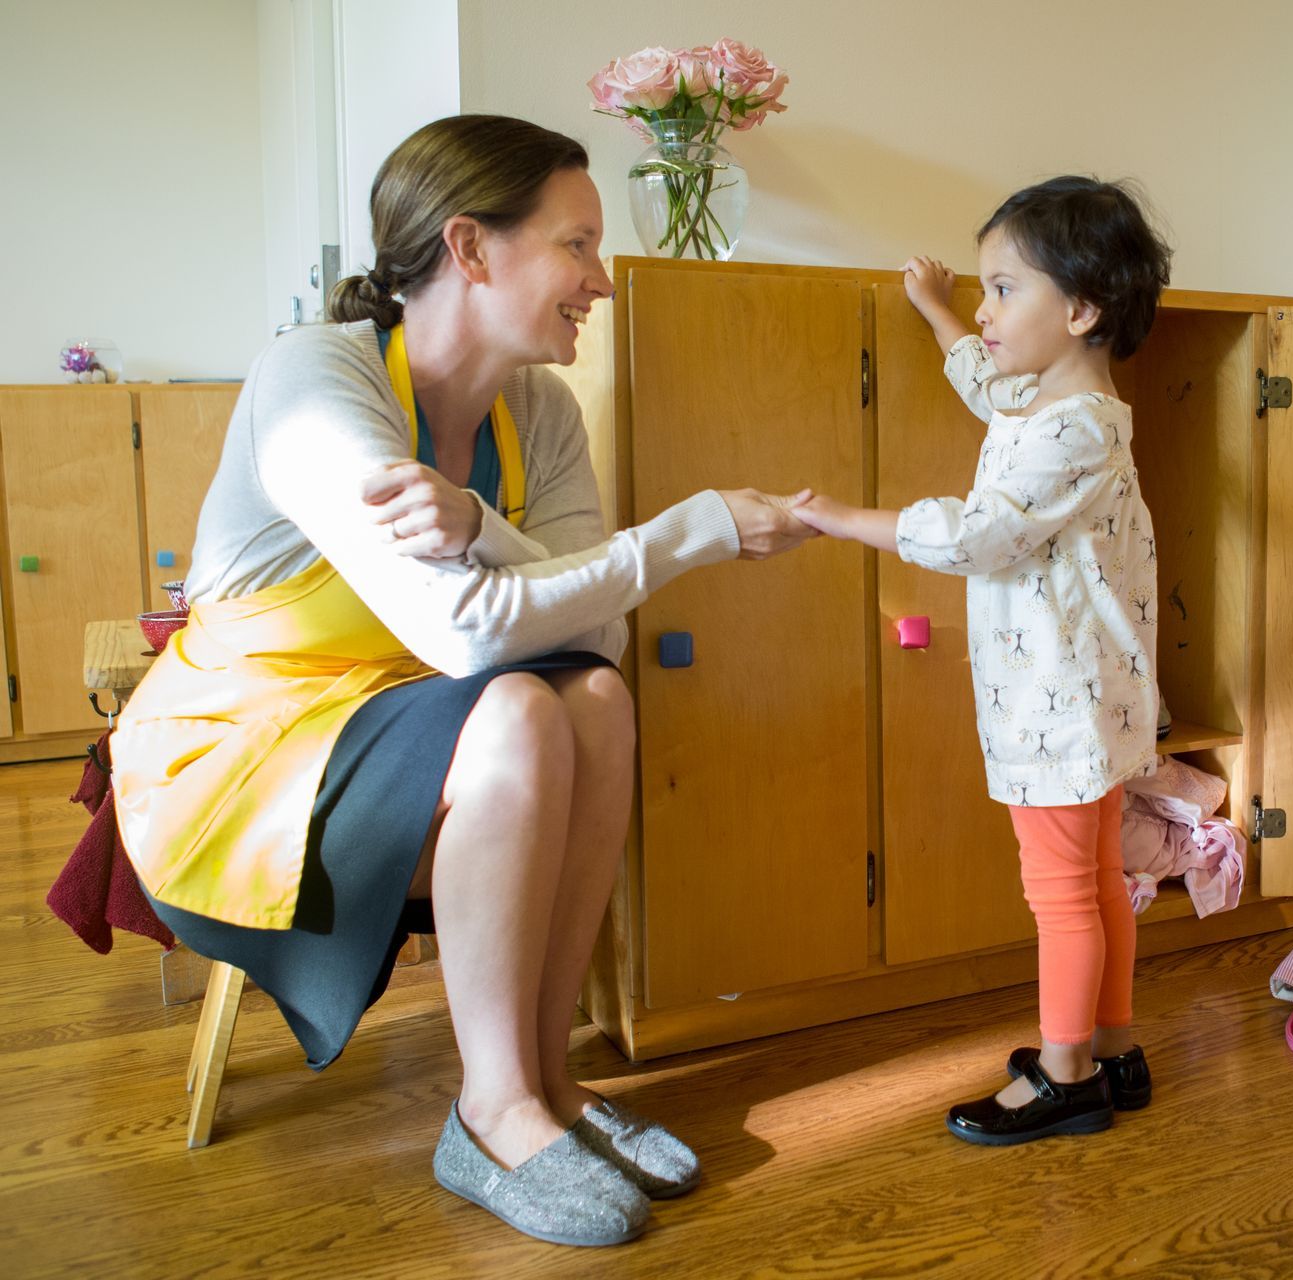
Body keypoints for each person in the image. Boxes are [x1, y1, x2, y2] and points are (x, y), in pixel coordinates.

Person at [107, 115, 813, 1246]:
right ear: (471, 247)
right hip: (244, 754)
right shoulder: (313, 379)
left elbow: (598, 635)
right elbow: (472, 634)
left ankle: (547, 1084)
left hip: (411, 714)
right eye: (577, 245)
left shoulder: (540, 412)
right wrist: (691, 531)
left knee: (592, 699)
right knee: (519, 706)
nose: (602, 281)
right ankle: (490, 1111)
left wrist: (481, 521)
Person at [790, 177, 1171, 1145]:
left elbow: (976, 535)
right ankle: (1114, 1048)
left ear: (1080, 310)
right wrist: (938, 310)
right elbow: (986, 382)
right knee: (1096, 878)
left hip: (1055, 708)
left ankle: (1066, 1076)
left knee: (1061, 892)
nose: (987, 311)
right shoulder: (1053, 403)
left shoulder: (1074, 431)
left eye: (1004, 289)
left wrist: (843, 518)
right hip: (1088, 702)